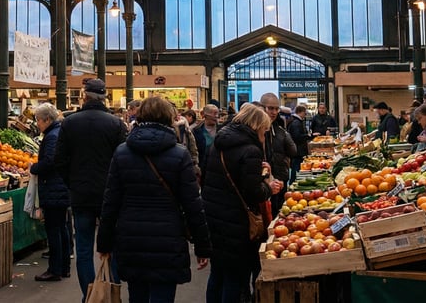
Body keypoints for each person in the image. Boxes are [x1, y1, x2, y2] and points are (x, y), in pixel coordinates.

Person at [97, 97, 211, 302]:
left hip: (130, 235)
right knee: (163, 295)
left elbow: (110, 201)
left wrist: (104, 243)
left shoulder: (122, 152)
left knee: (137, 294)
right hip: (168, 236)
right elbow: (193, 204)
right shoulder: (179, 154)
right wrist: (202, 246)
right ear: (169, 118)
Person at [54, 78, 127, 300]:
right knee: (111, 245)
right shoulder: (116, 124)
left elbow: (59, 160)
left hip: (81, 194)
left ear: (84, 96)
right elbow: (122, 159)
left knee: (84, 247)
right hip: (109, 194)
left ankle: (89, 295)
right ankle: (112, 292)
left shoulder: (69, 123)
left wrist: (72, 183)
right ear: (104, 97)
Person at [203, 103, 282, 303]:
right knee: (235, 278)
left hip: (214, 215)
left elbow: (211, 177)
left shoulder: (218, 143)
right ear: (256, 126)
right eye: (264, 129)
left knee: (218, 274)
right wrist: (269, 188)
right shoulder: (250, 149)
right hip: (237, 221)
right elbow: (253, 192)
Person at [29, 103, 71, 282]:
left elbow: (50, 162)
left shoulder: (52, 136)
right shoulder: (57, 132)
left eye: (38, 120)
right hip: (59, 188)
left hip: (55, 189)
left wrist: (34, 168)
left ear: (47, 119)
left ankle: (55, 269)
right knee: (60, 228)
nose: (37, 123)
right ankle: (63, 267)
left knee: (54, 230)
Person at [259, 93, 295, 213]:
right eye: (270, 108)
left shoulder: (280, 130)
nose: (274, 112)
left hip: (279, 178)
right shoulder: (256, 130)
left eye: (276, 108)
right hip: (262, 181)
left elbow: (293, 151)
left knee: (278, 211)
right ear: (262, 108)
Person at [285, 105, 310, 177]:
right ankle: (293, 182)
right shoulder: (296, 122)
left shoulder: (294, 121)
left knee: (296, 168)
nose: (305, 115)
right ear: (300, 112)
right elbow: (297, 137)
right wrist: (308, 136)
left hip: (297, 150)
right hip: (298, 151)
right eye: (305, 113)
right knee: (296, 169)